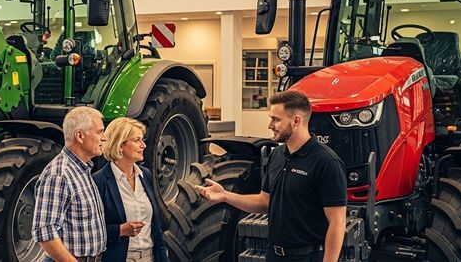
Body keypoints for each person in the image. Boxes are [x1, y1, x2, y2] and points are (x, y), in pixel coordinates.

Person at [195, 90, 347, 261]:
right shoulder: (277, 155)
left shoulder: (326, 162)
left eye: (275, 119)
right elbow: (265, 202)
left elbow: (337, 222)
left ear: (296, 121)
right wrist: (225, 196)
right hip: (274, 255)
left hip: (308, 257)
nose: (269, 125)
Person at [33, 107, 109, 262]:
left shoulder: (82, 169)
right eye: (100, 132)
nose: (105, 137)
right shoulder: (59, 175)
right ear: (80, 136)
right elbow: (45, 231)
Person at [92, 117, 168, 262]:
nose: (144, 145)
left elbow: (156, 227)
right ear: (120, 145)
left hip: (150, 256)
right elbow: (91, 232)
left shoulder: (145, 175)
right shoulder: (99, 181)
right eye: (137, 140)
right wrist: (120, 230)